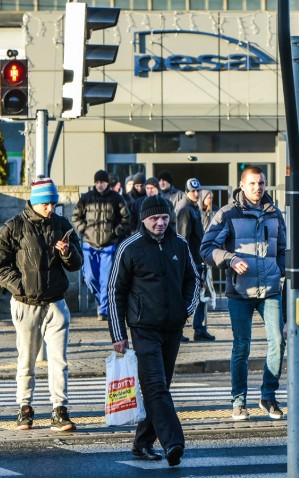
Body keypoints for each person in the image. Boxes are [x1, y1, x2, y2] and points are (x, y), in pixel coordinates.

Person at [108, 195, 198, 468]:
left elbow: (193, 279)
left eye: (164, 218)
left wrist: (185, 310)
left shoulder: (179, 244)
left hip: (172, 327)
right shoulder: (130, 247)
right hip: (143, 327)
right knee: (156, 386)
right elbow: (115, 292)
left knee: (159, 387)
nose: (160, 223)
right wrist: (117, 333)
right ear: (143, 220)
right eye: (153, 219)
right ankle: (173, 442)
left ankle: (142, 442)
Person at [0, 176, 83, 433]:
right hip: (25, 304)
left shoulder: (62, 224)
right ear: (34, 201)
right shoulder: (13, 227)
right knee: (26, 359)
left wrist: (67, 252)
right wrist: (20, 287)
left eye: (53, 203)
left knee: (59, 360)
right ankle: (24, 409)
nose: (50, 208)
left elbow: (77, 263)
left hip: (55, 303)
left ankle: (60, 410)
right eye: (46, 203)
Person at [201, 166, 286, 421]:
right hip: (240, 290)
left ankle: (268, 396)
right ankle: (238, 401)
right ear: (242, 184)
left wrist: (279, 269)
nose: (257, 188)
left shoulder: (274, 213)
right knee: (242, 346)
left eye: (261, 183)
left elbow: (283, 247)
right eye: (252, 184)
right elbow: (207, 248)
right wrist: (230, 258)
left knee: (278, 342)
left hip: (270, 289)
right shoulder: (227, 214)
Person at [72, 169, 131, 322]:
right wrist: (84, 229)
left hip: (109, 244)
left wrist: (117, 231)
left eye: (102, 182)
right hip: (89, 244)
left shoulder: (116, 198)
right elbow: (76, 216)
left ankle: (103, 310)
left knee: (106, 279)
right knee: (90, 277)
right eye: (97, 182)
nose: (99, 185)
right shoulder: (86, 198)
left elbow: (126, 217)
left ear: (107, 183)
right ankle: (103, 302)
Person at [176, 178, 214, 341]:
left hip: (196, 259)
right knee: (188, 297)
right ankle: (180, 330)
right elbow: (184, 237)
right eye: (193, 191)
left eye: (198, 191)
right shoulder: (186, 209)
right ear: (186, 192)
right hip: (191, 261)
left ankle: (199, 328)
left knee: (201, 296)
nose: (196, 194)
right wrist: (188, 262)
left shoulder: (192, 208)